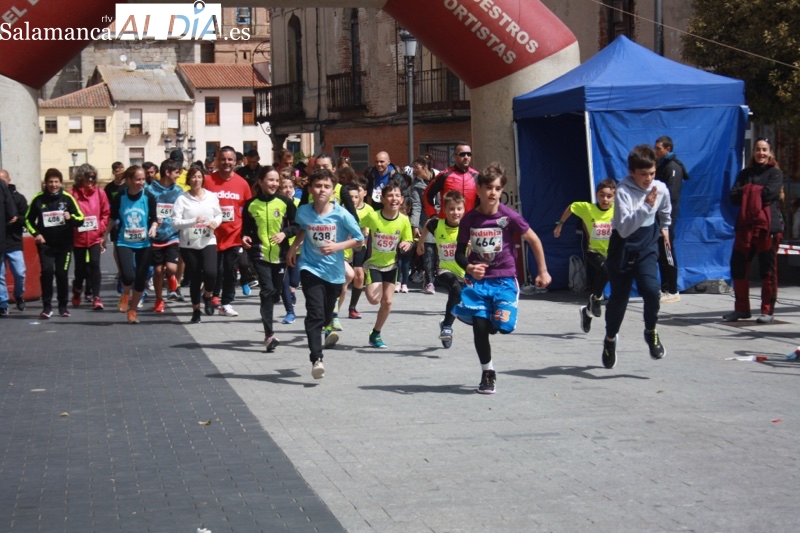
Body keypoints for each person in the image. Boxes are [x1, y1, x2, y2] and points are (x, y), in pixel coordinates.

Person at [453, 162, 551, 394]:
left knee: (501, 326)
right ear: (478, 189)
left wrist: (543, 270)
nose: (493, 193)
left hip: (504, 280)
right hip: (478, 283)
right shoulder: (469, 220)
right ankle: (488, 372)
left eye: (497, 189)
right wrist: (469, 267)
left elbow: (534, 240)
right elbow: (458, 253)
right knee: (479, 326)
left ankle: (497, 321)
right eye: (488, 188)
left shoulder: (509, 217)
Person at [287, 169, 364, 379]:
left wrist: (337, 246)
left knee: (326, 316)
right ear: (311, 189)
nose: (322, 190)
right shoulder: (303, 211)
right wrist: (294, 247)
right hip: (310, 267)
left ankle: (327, 322)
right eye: (318, 186)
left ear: (333, 190)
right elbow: (303, 227)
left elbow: (359, 239)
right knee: (314, 314)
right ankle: (316, 358)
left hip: (334, 272)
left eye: (326, 186)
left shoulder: (341, 214)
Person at [601, 145, 671, 369]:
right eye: (643, 174)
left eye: (652, 173)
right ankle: (610, 339)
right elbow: (624, 229)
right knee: (618, 300)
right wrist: (646, 205)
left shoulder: (660, 188)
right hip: (623, 246)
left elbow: (666, 209)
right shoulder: (623, 191)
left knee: (652, 290)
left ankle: (651, 331)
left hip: (647, 246)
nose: (648, 179)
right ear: (632, 172)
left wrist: (666, 227)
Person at [723, 138, 784, 324]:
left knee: (768, 271)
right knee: (738, 267)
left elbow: (770, 194)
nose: (761, 153)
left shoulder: (775, 173)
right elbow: (733, 196)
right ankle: (741, 309)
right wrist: (754, 190)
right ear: (754, 152)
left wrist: (747, 191)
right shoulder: (745, 173)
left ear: (770, 152)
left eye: (764, 150)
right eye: (758, 149)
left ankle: (767, 310)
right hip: (745, 227)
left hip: (767, 228)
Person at [242, 166, 299, 352]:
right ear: (260, 181)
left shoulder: (285, 202)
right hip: (259, 255)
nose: (274, 184)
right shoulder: (251, 205)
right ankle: (269, 334)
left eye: (276, 181)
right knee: (266, 292)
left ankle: (275, 305)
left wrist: (284, 234)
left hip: (280, 256)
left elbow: (297, 225)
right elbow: (247, 230)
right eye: (270, 180)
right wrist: (245, 237)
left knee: (275, 294)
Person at [554, 178, 616, 333]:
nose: (605, 199)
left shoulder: (617, 210)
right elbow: (571, 207)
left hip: (612, 254)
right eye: (602, 195)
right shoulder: (588, 208)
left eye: (609, 196)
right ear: (597, 195)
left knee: (606, 273)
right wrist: (560, 224)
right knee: (606, 270)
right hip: (593, 252)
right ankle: (595, 299)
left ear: (614, 198)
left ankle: (587, 312)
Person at [360, 180, 414, 348]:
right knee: (374, 299)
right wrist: (360, 235)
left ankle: (375, 334)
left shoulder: (404, 220)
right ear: (382, 199)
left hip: (391, 265)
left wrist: (407, 244)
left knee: (388, 302)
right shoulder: (374, 216)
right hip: (374, 264)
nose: (393, 198)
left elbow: (409, 239)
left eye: (397, 195)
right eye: (389, 195)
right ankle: (365, 279)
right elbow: (357, 227)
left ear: (402, 199)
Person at [25, 168, 85, 318]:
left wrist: (70, 217)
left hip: (64, 245)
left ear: (61, 183)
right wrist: (36, 234)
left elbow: (81, 218)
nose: (53, 185)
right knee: (47, 272)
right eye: (50, 182)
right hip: (45, 244)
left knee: (61, 274)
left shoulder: (67, 198)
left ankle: (63, 307)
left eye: (56, 182)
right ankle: (46, 307)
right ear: (45, 183)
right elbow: (27, 219)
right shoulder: (38, 199)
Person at [203, 145, 252, 317]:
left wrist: (247, 232)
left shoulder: (242, 183)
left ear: (235, 161)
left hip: (234, 235)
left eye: (230, 159)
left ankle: (226, 302)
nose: (226, 162)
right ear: (217, 160)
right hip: (212, 235)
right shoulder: (208, 181)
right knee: (214, 271)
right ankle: (210, 296)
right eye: (223, 159)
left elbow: (248, 209)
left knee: (231, 270)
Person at [107, 165, 159, 324]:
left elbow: (155, 218)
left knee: (140, 279)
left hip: (144, 243)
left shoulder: (148, 197)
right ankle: (125, 294)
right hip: (124, 241)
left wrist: (154, 227)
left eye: (143, 179)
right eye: (138, 179)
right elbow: (112, 217)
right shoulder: (120, 197)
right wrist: (104, 235)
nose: (141, 182)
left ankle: (133, 311)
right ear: (129, 180)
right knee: (128, 275)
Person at [172, 164, 222, 324]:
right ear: (188, 180)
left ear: (203, 179)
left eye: (199, 177)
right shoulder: (182, 199)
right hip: (189, 244)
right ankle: (196, 310)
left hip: (208, 240)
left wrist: (215, 222)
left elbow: (219, 214)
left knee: (211, 272)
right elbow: (175, 222)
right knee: (194, 277)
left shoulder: (211, 196)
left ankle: (207, 295)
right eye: (193, 177)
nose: (196, 180)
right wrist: (193, 221)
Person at [417, 190, 466, 349]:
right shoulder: (437, 225)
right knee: (455, 289)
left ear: (464, 210)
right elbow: (427, 224)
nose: (455, 212)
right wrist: (421, 242)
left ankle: (445, 323)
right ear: (444, 210)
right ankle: (447, 328)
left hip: (463, 273)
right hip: (443, 270)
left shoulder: (467, 228)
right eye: (451, 209)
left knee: (456, 296)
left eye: (459, 209)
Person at [654, 136, 689, 303]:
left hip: (667, 217)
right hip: (658, 215)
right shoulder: (662, 166)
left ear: (667, 149)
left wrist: (665, 221)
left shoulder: (673, 168)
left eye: (658, 148)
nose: (656, 151)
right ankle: (665, 288)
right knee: (661, 252)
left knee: (667, 250)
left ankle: (673, 290)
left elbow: (671, 195)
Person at [71, 164, 110, 311]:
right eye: (87, 177)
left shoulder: (100, 193)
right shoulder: (72, 194)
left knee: (95, 264)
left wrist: (100, 228)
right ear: (80, 177)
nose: (90, 180)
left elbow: (106, 213)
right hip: (78, 236)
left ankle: (96, 297)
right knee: (80, 269)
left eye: (93, 177)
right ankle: (77, 289)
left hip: (94, 236)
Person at [148, 159, 183, 313]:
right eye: (176, 173)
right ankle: (159, 299)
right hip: (155, 236)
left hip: (172, 235)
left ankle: (171, 279)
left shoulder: (179, 191)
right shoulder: (150, 190)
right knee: (157, 271)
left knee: (171, 267)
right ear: (167, 172)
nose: (179, 176)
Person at [425, 144, 479, 219]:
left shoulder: (477, 176)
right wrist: (432, 215)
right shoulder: (444, 175)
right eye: (462, 154)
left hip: (470, 223)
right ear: (455, 156)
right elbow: (427, 194)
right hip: (447, 224)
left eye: (469, 154)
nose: (466, 157)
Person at [344, 178, 373, 319]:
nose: (354, 199)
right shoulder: (341, 210)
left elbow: (374, 227)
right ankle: (333, 310)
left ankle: (352, 308)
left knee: (359, 275)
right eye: (351, 197)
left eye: (356, 196)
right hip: (343, 247)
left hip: (360, 246)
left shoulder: (368, 209)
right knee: (344, 279)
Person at [409, 156, 438, 294]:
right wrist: (414, 225)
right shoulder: (416, 185)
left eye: (417, 167)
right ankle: (429, 281)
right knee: (428, 253)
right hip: (427, 222)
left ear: (425, 166)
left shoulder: (440, 178)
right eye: (413, 168)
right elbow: (416, 206)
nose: (414, 170)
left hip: (444, 220)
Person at [0, 169, 27, 315]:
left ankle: (18, 294)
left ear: (8, 180)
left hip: (13, 241)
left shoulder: (18, 198)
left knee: (20, 272)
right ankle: (3, 303)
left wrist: (18, 219)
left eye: (3, 180)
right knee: (0, 275)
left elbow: (27, 217)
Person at [278, 175, 300, 324]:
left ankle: (293, 290)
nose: (288, 190)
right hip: (281, 248)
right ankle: (289, 312)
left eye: (290, 187)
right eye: (284, 187)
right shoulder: (277, 204)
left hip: (298, 247)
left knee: (295, 280)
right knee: (284, 281)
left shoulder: (299, 203)